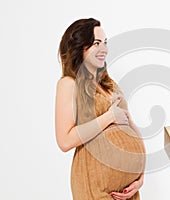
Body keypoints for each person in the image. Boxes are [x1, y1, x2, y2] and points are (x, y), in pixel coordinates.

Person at [55, 18, 145, 200]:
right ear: (80, 47)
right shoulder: (69, 84)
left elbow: (130, 125)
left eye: (105, 42)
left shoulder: (110, 84)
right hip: (94, 186)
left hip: (129, 190)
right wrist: (109, 117)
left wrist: (140, 174)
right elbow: (64, 141)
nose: (104, 49)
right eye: (96, 43)